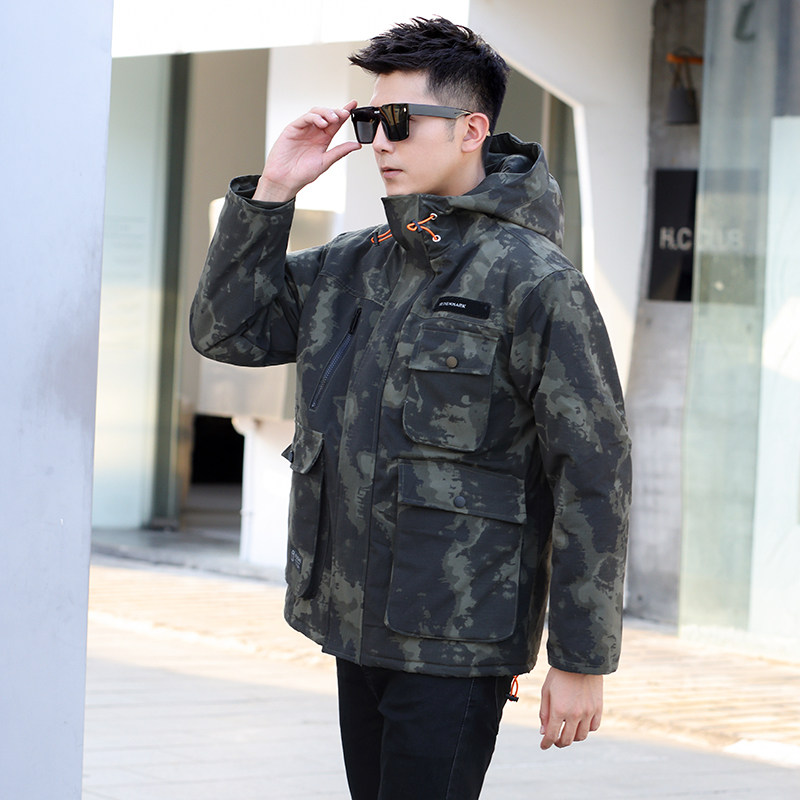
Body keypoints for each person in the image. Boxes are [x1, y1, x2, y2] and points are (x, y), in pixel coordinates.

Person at [190, 16, 631, 800]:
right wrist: (273, 192)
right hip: (356, 626)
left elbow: (593, 474)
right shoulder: (357, 264)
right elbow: (227, 330)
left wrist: (581, 659)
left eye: (399, 121)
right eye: (370, 121)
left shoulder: (536, 281)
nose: (379, 142)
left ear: (471, 129)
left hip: (457, 641)